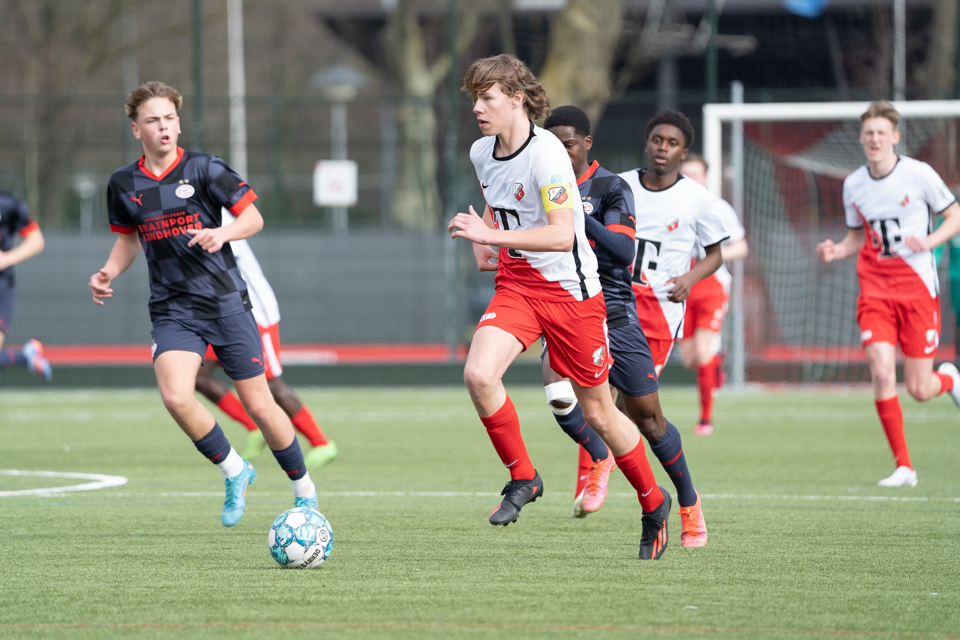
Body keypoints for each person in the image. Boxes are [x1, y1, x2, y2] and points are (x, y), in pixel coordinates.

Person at [451, 54, 671, 560]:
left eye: (488, 98)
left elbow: (561, 232)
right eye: (475, 99)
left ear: (517, 99)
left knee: (598, 412)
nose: (478, 108)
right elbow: (498, 199)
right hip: (519, 285)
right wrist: (486, 236)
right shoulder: (481, 152)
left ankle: (653, 501)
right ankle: (524, 477)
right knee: (480, 375)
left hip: (571, 294)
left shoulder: (547, 152)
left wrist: (493, 233)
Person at [89, 81, 317, 527]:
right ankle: (235, 470)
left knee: (261, 407)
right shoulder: (123, 183)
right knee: (176, 395)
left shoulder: (205, 169)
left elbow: (253, 217)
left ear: (178, 122)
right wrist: (109, 272)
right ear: (137, 129)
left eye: (170, 119)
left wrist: (223, 232)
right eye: (153, 121)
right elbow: (128, 239)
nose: (164, 128)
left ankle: (303, 491)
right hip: (173, 309)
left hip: (226, 304)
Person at [537, 105, 709, 547]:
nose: (559, 151)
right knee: (558, 390)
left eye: (568, 144)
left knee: (648, 421)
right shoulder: (540, 185)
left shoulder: (612, 187)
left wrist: (579, 216)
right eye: (551, 143)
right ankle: (599, 459)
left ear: (586, 144)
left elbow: (622, 251)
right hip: (566, 310)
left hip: (614, 311)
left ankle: (688, 504)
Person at [816, 100, 960, 488]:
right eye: (868, 133)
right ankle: (904, 467)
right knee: (881, 373)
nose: (875, 139)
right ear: (861, 139)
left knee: (919, 389)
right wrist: (836, 250)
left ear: (895, 137)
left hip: (916, 292)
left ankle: (948, 380)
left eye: (881, 133)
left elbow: (955, 215)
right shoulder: (854, 185)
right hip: (875, 291)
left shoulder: (919, 175)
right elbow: (856, 237)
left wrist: (927, 241)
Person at [195, 210, 338, 468]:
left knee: (271, 385)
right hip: (222, 312)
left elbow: (239, 232)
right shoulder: (179, 205)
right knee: (198, 375)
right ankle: (254, 428)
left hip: (254, 312)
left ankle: (322, 443)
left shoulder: (213, 208)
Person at [619, 110, 729, 386]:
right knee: (599, 401)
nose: (663, 147)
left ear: (683, 152)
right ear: (647, 144)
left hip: (661, 311)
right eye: (657, 140)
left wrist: (689, 279)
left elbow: (715, 254)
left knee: (634, 403)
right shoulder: (618, 185)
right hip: (616, 304)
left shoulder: (697, 199)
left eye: (672, 143)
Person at [678, 155, 749, 436]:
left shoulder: (719, 208)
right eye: (686, 175)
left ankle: (705, 419)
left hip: (712, 285)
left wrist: (712, 258)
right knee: (689, 359)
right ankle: (715, 362)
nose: (692, 180)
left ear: (706, 177)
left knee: (702, 350)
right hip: (682, 287)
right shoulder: (672, 206)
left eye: (696, 174)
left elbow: (740, 247)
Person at [0, 190, 51, 382]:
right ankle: (26, 356)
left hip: (2, 286)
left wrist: (5, 259)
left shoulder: (8, 203)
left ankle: (26, 356)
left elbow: (36, 240)